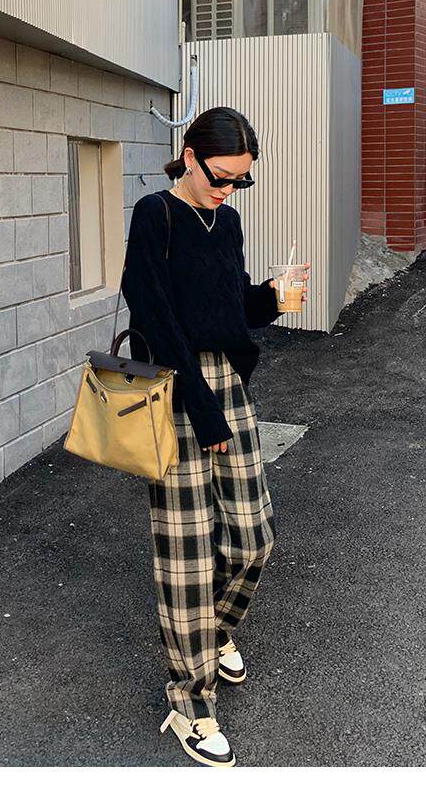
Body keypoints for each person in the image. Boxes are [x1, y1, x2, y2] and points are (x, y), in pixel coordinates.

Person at [121, 107, 311, 767]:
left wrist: (274, 297)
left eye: (240, 181)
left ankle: (214, 631)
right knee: (187, 557)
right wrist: (201, 412)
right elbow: (155, 315)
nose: (228, 190)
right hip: (174, 389)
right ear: (190, 156)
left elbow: (230, 310)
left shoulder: (225, 222)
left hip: (225, 383)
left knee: (255, 537)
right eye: (221, 176)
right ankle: (189, 702)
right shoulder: (156, 215)